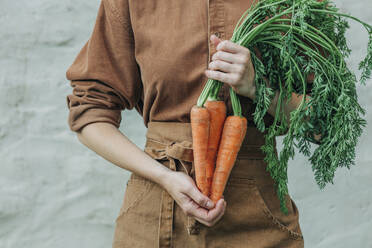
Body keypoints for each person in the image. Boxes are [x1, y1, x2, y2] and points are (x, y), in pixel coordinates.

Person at [65, 0, 319, 247]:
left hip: (259, 218)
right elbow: (90, 112)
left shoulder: (296, 3)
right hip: (153, 214)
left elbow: (322, 120)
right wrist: (163, 177)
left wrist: (257, 87)